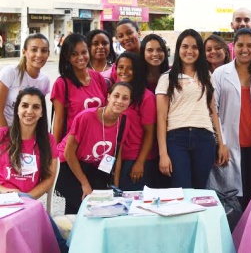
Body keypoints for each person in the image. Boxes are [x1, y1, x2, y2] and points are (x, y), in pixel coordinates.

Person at [156, 29, 229, 189]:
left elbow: (213, 112)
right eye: (185, 46)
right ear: (178, 49)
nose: (190, 51)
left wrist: (221, 144)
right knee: (182, 189)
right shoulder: (166, 78)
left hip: (205, 139)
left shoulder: (207, 76)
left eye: (195, 47)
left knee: (200, 191)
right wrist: (163, 153)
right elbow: (161, 119)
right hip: (176, 139)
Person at [209, 28, 251, 204]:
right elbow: (213, 110)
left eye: (249, 45)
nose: (244, 49)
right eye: (240, 45)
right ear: (233, 47)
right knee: (234, 198)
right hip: (231, 144)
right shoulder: (220, 73)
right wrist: (220, 142)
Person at [58, 82, 131, 214]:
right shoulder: (86, 117)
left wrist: (116, 186)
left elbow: (117, 155)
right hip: (66, 164)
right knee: (86, 204)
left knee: (106, 204)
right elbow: (68, 153)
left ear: (129, 102)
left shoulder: (124, 121)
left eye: (125, 98)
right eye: (116, 96)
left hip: (93, 166)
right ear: (108, 97)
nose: (120, 101)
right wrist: (85, 184)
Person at [0, 87, 58, 198]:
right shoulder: (2, 135)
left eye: (36, 107)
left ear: (41, 113)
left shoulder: (48, 140)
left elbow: (49, 178)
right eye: (25, 105)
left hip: (28, 202)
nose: (29, 111)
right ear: (17, 109)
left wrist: (27, 198)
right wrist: (5, 192)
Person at [51, 33, 108, 143]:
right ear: (67, 57)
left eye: (84, 52)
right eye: (74, 54)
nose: (81, 57)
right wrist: (55, 153)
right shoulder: (61, 83)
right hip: (72, 147)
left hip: (98, 143)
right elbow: (58, 120)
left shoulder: (98, 78)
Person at [111, 52, 156, 190]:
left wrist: (140, 162)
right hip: (115, 156)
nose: (124, 71)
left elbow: (150, 133)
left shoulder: (146, 97)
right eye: (120, 67)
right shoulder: (114, 92)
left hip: (135, 158)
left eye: (129, 68)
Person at [0, 34, 51, 128]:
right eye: (34, 49)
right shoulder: (10, 73)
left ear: (48, 53)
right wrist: (6, 136)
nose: (39, 55)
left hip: (29, 135)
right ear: (24, 52)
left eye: (44, 50)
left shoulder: (45, 80)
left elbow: (39, 113)